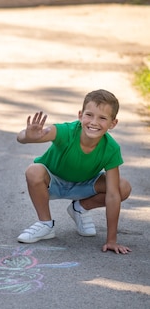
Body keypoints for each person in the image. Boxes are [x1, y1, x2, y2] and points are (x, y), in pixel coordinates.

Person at [16, 89, 132, 254]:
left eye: (103, 118)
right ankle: (45, 224)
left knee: (122, 187)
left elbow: (113, 194)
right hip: (52, 183)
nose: (94, 122)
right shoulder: (66, 131)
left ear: (113, 123)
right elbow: (22, 138)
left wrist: (111, 240)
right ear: (80, 115)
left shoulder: (111, 149)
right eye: (89, 115)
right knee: (33, 171)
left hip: (84, 187)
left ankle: (80, 208)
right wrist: (27, 136)